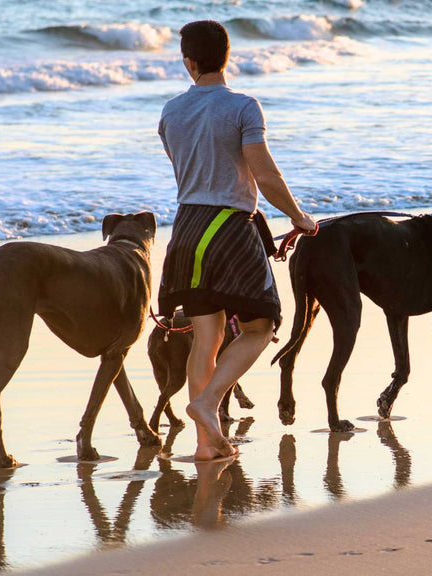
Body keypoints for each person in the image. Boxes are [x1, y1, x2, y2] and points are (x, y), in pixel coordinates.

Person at [157, 20, 317, 461]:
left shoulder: (170, 112)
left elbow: (188, 167)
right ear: (227, 58)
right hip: (230, 229)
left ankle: (206, 445)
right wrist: (298, 217)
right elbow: (263, 174)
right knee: (260, 327)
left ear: (188, 62)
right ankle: (207, 404)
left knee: (205, 337)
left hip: (186, 229)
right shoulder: (244, 107)